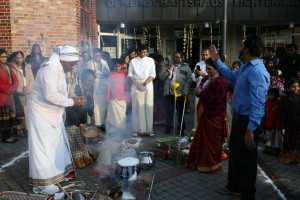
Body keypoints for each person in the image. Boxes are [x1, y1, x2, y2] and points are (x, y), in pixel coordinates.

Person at [210, 35, 270, 200]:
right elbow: (230, 75)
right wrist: (216, 60)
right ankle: (234, 186)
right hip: (239, 119)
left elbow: (258, 104)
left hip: (247, 122)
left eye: (242, 46)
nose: (239, 48)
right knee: (235, 155)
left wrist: (251, 130)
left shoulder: (257, 71)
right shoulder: (246, 66)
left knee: (247, 160)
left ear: (248, 50)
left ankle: (247, 194)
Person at [26, 45, 85, 195]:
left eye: (74, 64)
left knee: (56, 146)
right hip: (40, 113)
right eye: (71, 64)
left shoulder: (59, 68)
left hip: (52, 113)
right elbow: (50, 96)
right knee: (43, 149)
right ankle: (42, 184)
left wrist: (72, 97)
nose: (72, 68)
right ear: (62, 60)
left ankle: (56, 175)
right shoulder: (50, 69)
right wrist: (73, 102)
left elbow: (59, 92)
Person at [185, 58, 228, 173]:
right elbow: (199, 89)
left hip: (215, 115)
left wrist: (200, 93)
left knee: (212, 143)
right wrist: (199, 92)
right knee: (203, 141)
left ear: (217, 69)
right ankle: (201, 163)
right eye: (206, 68)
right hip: (205, 113)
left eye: (209, 69)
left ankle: (212, 164)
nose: (207, 71)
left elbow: (216, 99)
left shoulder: (221, 81)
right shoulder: (206, 78)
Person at [65, 69, 96, 169]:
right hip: (72, 121)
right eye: (88, 80)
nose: (90, 83)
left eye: (92, 81)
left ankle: (84, 158)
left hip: (81, 121)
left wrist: (92, 115)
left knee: (82, 142)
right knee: (76, 142)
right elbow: (71, 109)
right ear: (82, 80)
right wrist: (79, 124)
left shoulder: (90, 90)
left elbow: (89, 106)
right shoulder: (76, 90)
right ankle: (74, 161)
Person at [160, 51, 192, 135]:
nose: (175, 59)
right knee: (169, 111)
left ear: (182, 58)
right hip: (169, 92)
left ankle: (181, 128)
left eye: (178, 57)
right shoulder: (168, 66)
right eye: (174, 57)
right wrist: (168, 70)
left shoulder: (186, 68)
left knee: (180, 112)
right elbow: (161, 77)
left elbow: (189, 80)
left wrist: (185, 91)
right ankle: (168, 127)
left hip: (180, 93)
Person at [128, 44, 156, 136]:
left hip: (147, 84)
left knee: (148, 106)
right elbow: (130, 75)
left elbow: (152, 74)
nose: (144, 53)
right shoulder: (133, 61)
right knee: (137, 107)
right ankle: (136, 130)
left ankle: (148, 130)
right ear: (138, 52)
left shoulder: (150, 60)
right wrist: (138, 85)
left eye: (145, 52)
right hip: (136, 84)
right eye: (142, 52)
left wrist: (144, 84)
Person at [11, 51, 34, 137]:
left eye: (20, 58)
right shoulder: (13, 69)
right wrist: (20, 91)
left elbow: (32, 80)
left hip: (29, 94)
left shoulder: (28, 67)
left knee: (28, 112)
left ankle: (28, 130)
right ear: (15, 59)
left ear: (23, 58)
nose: (19, 59)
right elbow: (14, 82)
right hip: (19, 94)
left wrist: (29, 89)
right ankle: (20, 130)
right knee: (20, 112)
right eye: (17, 58)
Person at [278, 78, 300, 164]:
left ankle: (296, 158)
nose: (296, 89)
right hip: (289, 124)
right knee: (289, 142)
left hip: (298, 125)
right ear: (289, 87)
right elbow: (281, 111)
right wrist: (285, 119)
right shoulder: (284, 98)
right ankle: (288, 157)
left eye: (298, 86)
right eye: (293, 87)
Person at [87, 48, 110, 131]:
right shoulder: (90, 63)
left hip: (103, 85)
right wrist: (99, 73)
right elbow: (91, 73)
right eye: (96, 55)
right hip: (95, 85)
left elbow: (107, 72)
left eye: (99, 55)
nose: (98, 56)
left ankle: (103, 123)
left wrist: (100, 73)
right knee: (96, 105)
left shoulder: (104, 62)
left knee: (103, 105)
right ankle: (97, 124)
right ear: (93, 55)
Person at [0, 49, 19, 143]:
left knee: (9, 118)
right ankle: (5, 137)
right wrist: (9, 89)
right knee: (4, 119)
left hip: (9, 96)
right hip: (2, 97)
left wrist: (13, 88)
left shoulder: (8, 66)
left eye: (5, 56)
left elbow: (15, 79)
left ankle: (9, 136)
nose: (4, 58)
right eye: (2, 56)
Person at [106, 59, 129, 135]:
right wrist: (107, 98)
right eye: (116, 66)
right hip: (113, 98)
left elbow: (127, 87)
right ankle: (112, 132)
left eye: (119, 66)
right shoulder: (111, 74)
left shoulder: (124, 74)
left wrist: (128, 98)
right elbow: (108, 87)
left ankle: (121, 131)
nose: (118, 67)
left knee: (122, 116)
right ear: (114, 66)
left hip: (122, 98)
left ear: (122, 66)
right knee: (112, 116)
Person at [191, 47, 210, 129]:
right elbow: (193, 79)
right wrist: (196, 75)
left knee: (207, 112)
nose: (204, 56)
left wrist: (203, 74)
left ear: (210, 54)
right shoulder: (199, 64)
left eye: (206, 55)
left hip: (209, 92)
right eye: (203, 55)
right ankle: (197, 130)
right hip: (199, 91)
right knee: (198, 111)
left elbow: (214, 78)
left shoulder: (214, 64)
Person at [263, 88, 282, 156]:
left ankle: (275, 150)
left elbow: (280, 116)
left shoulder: (278, 104)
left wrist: (278, 125)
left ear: (276, 96)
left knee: (276, 139)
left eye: (271, 95)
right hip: (268, 123)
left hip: (276, 125)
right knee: (269, 138)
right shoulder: (266, 103)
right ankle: (268, 149)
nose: (269, 96)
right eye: (268, 95)